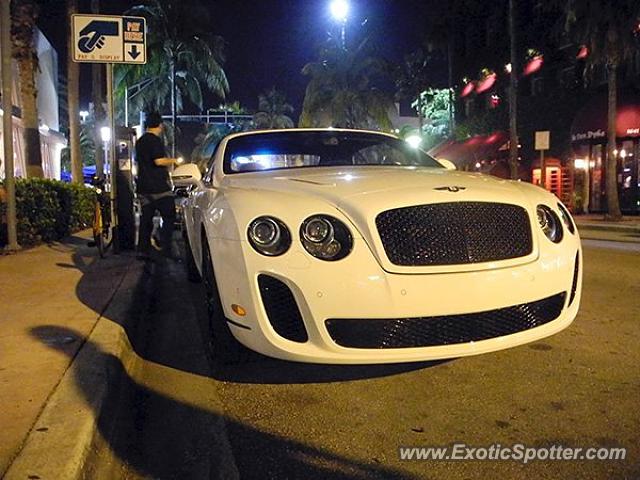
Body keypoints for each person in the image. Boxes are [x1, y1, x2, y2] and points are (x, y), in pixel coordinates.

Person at [135, 112, 180, 259]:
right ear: (160, 125)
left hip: (143, 187)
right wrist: (173, 160)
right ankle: (164, 245)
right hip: (159, 187)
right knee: (169, 215)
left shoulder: (140, 141)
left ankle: (143, 250)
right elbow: (158, 161)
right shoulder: (155, 141)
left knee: (145, 218)